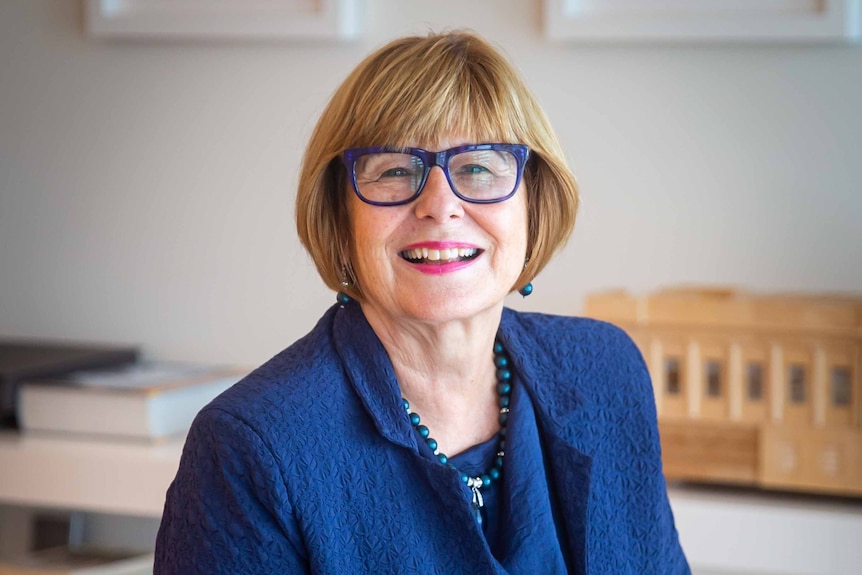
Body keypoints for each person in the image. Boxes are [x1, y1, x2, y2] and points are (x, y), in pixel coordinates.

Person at [154, 31, 689, 574]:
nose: (440, 205)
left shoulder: (605, 371)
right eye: (394, 171)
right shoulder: (250, 448)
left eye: (479, 167)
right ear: (341, 217)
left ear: (535, 202)